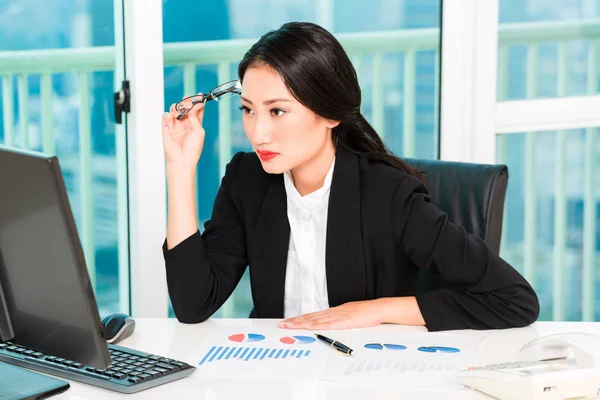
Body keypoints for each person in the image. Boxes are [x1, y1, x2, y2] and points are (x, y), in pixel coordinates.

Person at [161, 22, 539, 332]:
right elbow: (193, 304)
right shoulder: (247, 179)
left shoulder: (389, 194)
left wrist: (377, 310)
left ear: (330, 114)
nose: (258, 133)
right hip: (277, 369)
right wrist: (180, 169)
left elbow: (514, 299)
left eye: (277, 111)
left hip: (365, 373)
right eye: (248, 110)